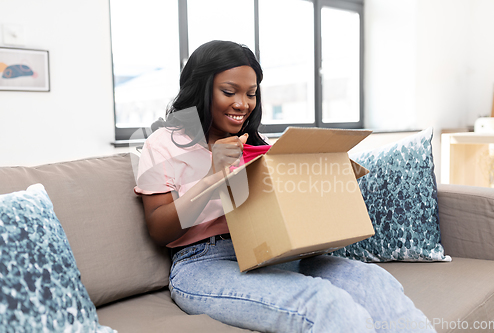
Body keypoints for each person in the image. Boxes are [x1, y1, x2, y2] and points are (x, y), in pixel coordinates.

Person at [134, 40, 436, 333]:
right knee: (325, 303)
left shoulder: (255, 143)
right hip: (202, 264)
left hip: (270, 251)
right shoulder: (162, 144)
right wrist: (214, 177)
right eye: (229, 92)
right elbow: (160, 230)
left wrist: (319, 180)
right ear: (201, 89)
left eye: (251, 94)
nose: (243, 104)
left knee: (373, 281)